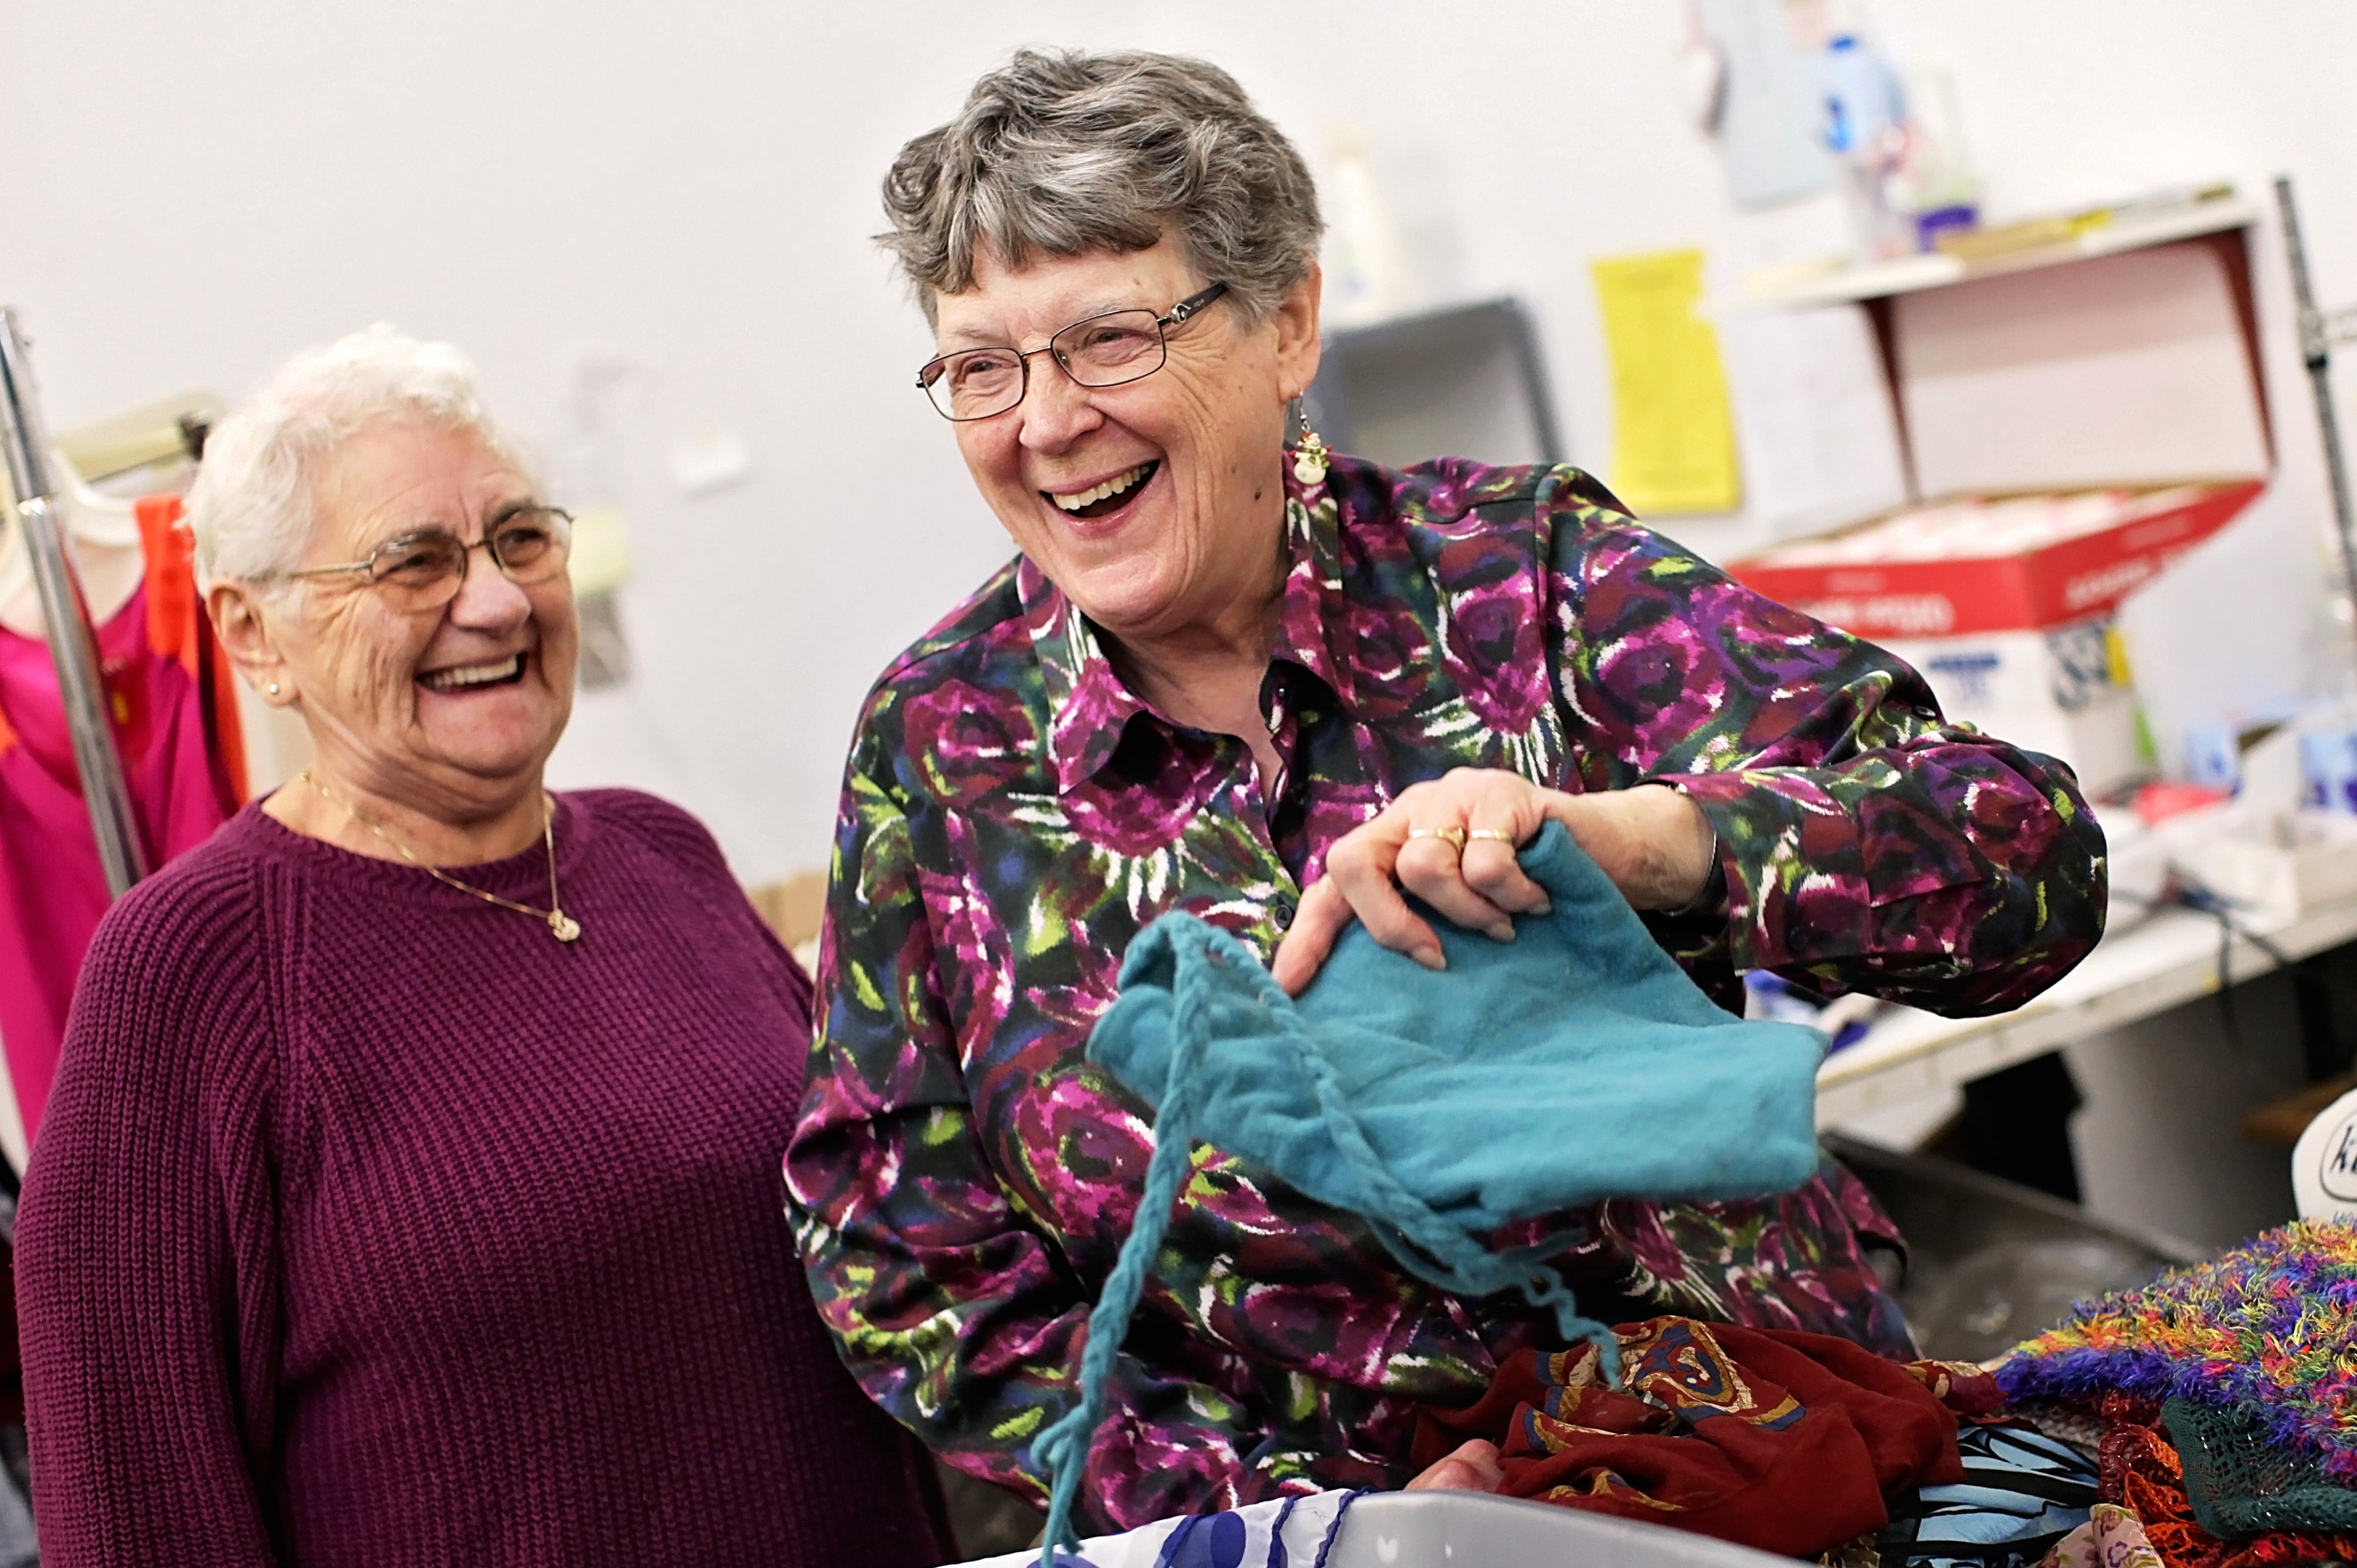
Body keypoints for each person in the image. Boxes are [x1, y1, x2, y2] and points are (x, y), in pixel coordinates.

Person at [786, 49, 2106, 1536]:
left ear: (1287, 322)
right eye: (980, 366)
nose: (1044, 421)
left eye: (1105, 339)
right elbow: (896, 1243)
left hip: (1736, 1484)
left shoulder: (1521, 583)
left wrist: (1644, 843)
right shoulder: (943, 740)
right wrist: (1306, 1517)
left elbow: (2028, 862)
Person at [16, 328, 948, 1567]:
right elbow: (134, 1518)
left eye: (521, 538)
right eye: (414, 562)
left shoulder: (662, 856)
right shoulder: (192, 973)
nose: (500, 599)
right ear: (251, 635)